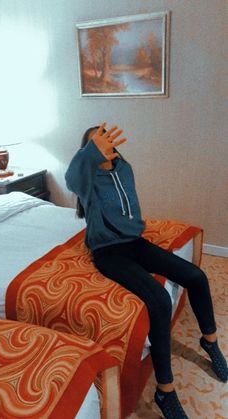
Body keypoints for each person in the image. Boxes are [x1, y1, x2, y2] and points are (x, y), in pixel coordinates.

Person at [65, 123, 228, 419]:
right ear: (86, 152)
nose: (105, 145)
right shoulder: (86, 180)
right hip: (107, 252)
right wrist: (89, 155)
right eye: (96, 143)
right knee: (158, 299)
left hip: (136, 243)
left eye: (107, 140)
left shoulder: (124, 169)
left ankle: (210, 340)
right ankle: (165, 392)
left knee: (196, 276)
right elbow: (71, 178)